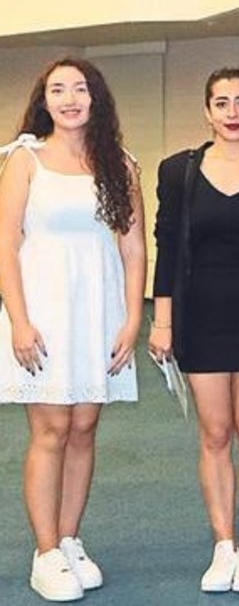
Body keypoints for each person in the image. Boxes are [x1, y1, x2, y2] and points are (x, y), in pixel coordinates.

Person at [147, 67, 239, 594]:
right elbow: (167, 247)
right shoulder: (178, 171)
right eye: (222, 103)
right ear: (207, 112)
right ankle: (223, 545)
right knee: (214, 433)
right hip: (199, 317)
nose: (233, 113)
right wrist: (161, 321)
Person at [0, 58, 144, 602]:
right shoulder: (24, 159)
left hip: (98, 312)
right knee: (51, 430)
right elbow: (6, 245)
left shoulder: (120, 163)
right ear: (44, 100)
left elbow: (133, 247)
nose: (69, 99)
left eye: (79, 89)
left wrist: (133, 318)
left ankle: (68, 539)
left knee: (84, 426)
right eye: (57, 90)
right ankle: (44, 553)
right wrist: (19, 320)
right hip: (43, 314)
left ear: (95, 98)